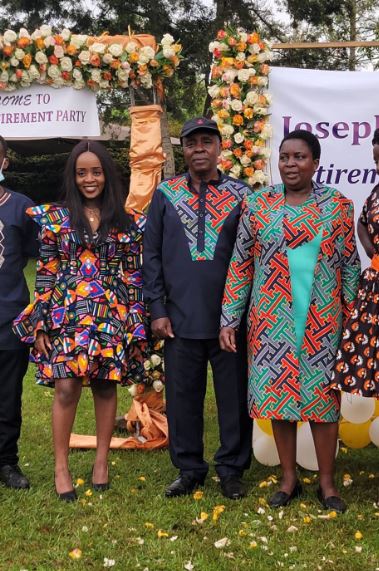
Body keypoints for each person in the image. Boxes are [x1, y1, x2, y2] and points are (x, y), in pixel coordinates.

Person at [220, 129, 361, 513]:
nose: (290, 164)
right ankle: (288, 478)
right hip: (271, 320)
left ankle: (328, 484)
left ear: (315, 163)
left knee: (323, 403)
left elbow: (350, 265)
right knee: (278, 400)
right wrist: (229, 318)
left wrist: (352, 320)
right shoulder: (257, 205)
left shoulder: (338, 205)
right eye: (284, 157)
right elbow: (240, 264)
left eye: (299, 157)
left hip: (323, 320)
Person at [13, 140, 146, 501]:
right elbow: (46, 271)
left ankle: (101, 462)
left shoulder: (128, 222)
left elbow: (133, 276)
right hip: (65, 312)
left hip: (109, 311)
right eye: (82, 172)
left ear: (107, 175)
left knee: (106, 385)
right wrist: (39, 321)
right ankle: (61, 467)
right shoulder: (54, 217)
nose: (90, 179)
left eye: (96, 171)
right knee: (66, 386)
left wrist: (135, 325)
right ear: (73, 177)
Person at [143, 117, 252, 499]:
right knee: (183, 397)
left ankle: (231, 468)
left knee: (234, 398)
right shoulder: (165, 194)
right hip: (178, 319)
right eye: (192, 143)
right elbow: (151, 254)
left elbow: (252, 256)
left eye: (207, 141)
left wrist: (239, 314)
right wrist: (157, 308)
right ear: (183, 150)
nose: (199, 149)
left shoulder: (243, 195)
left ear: (220, 148)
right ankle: (189, 469)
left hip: (229, 321)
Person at [0, 135, 38, 490]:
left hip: (9, 319)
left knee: (8, 396)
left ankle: (7, 463)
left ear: (4, 163)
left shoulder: (21, 207)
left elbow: (41, 255)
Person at [331, 128, 379, 399]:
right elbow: (361, 223)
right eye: (375, 161)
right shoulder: (376, 192)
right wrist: (370, 248)